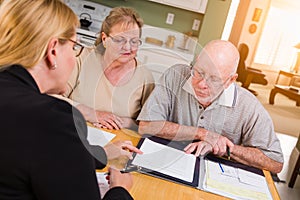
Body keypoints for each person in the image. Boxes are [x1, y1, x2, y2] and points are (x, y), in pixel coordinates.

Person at [0, 0, 142, 199]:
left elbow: (39, 154)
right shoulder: (53, 118)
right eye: (74, 47)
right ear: (53, 51)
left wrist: (100, 153)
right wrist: (120, 190)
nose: (76, 56)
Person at [137, 40, 284, 174]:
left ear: (230, 80)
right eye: (198, 72)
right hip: (169, 161)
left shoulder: (248, 106)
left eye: (214, 79)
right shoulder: (176, 75)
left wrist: (226, 148)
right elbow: (146, 126)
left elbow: (275, 162)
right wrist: (202, 133)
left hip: (216, 173)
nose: (201, 84)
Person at [59, 6, 154, 130]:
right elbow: (54, 98)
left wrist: (122, 122)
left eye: (134, 41)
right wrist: (93, 114)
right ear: (104, 39)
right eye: (120, 40)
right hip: (71, 131)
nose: (127, 47)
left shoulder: (144, 77)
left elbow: (150, 125)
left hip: (118, 142)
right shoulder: (82, 58)